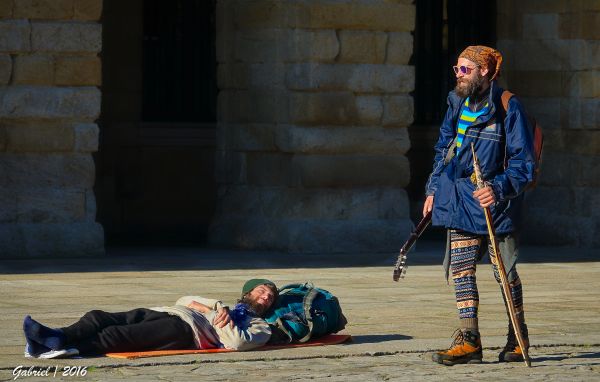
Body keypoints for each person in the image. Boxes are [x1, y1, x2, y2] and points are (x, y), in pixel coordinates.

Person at [423, 45, 535, 365]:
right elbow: (444, 148)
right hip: (459, 199)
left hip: (496, 205)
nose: (458, 75)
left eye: (465, 69)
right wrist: (433, 189)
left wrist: (498, 189)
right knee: (460, 269)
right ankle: (470, 342)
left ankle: (517, 339)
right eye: (456, 69)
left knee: (504, 272)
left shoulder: (507, 106)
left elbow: (523, 163)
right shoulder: (456, 102)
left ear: (484, 71)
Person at [22, 278, 278, 358]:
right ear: (248, 292)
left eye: (269, 296)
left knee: (115, 336)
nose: (265, 296)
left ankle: (66, 347)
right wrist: (215, 307)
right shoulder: (222, 305)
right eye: (261, 290)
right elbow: (184, 300)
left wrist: (211, 314)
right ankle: (57, 337)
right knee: (98, 316)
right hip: (169, 312)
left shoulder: (259, 325)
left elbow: (238, 343)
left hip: (186, 332)